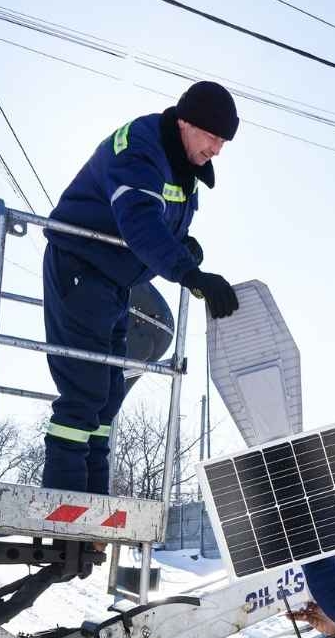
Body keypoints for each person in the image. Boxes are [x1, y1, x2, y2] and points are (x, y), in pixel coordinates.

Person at [40, 80, 244, 494]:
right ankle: (62, 509)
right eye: (212, 136)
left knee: (108, 397)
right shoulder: (141, 146)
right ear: (185, 122)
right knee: (84, 391)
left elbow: (161, 224)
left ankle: (91, 507)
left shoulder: (184, 167)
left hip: (116, 283)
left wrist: (183, 245)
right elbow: (138, 220)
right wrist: (189, 273)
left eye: (223, 141)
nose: (217, 149)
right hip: (80, 265)